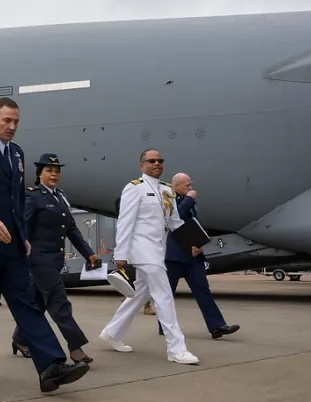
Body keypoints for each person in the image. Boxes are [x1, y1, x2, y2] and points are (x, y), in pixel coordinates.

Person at [0, 96, 90, 393]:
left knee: (26, 304)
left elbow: (17, 200)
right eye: (7, 120)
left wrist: (23, 235)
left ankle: (51, 366)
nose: (12, 126)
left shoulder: (16, 153)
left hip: (11, 246)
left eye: (16, 122)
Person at [99, 149, 199, 365]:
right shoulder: (134, 188)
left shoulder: (167, 189)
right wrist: (121, 254)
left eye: (160, 161)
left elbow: (175, 222)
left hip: (158, 250)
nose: (156, 164)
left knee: (138, 295)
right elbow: (125, 221)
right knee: (164, 296)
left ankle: (112, 332)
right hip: (142, 249)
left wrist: (193, 242)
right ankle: (177, 349)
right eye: (151, 161)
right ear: (142, 165)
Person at [11, 153, 100, 364]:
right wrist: (21, 252)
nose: (54, 174)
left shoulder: (60, 197)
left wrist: (88, 253)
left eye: (57, 171)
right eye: (49, 170)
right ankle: (75, 347)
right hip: (39, 260)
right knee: (59, 303)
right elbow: (22, 226)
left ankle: (20, 339)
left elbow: (72, 229)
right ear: (39, 174)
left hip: (55, 260)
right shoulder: (33, 196)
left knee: (37, 303)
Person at [156, 173, 240, 339]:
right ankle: (164, 326)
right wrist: (188, 199)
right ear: (176, 186)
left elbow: (193, 224)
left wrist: (199, 244)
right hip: (174, 256)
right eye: (187, 185)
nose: (191, 187)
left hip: (193, 255)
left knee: (203, 290)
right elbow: (176, 216)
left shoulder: (189, 203)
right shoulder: (169, 200)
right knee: (167, 293)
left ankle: (217, 326)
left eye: (190, 184)